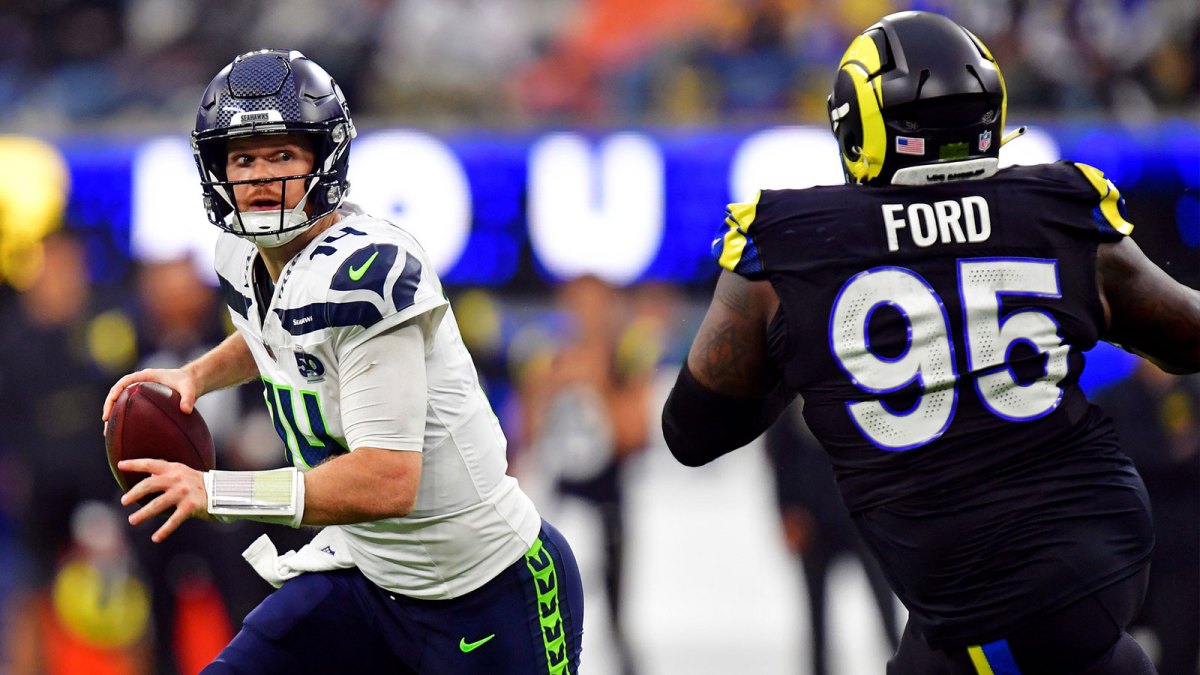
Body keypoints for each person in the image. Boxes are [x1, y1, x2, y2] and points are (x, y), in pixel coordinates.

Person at [661, 11, 1200, 675]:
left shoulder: (789, 247)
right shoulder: (1057, 208)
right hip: (1090, 555)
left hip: (996, 598)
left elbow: (691, 431)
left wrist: (802, 357)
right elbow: (1186, 336)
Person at [101, 49, 583, 674]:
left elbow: (387, 481)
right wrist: (199, 374)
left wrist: (215, 492)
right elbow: (275, 329)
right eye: (243, 158)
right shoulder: (241, 255)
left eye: (281, 155)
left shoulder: (365, 275)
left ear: (323, 160)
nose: (259, 176)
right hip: (368, 582)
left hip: (484, 591)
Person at [764, 399, 899, 675]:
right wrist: (786, 509)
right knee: (817, 621)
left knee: (888, 611)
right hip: (812, 518)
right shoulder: (788, 391)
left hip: (862, 516)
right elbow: (778, 452)